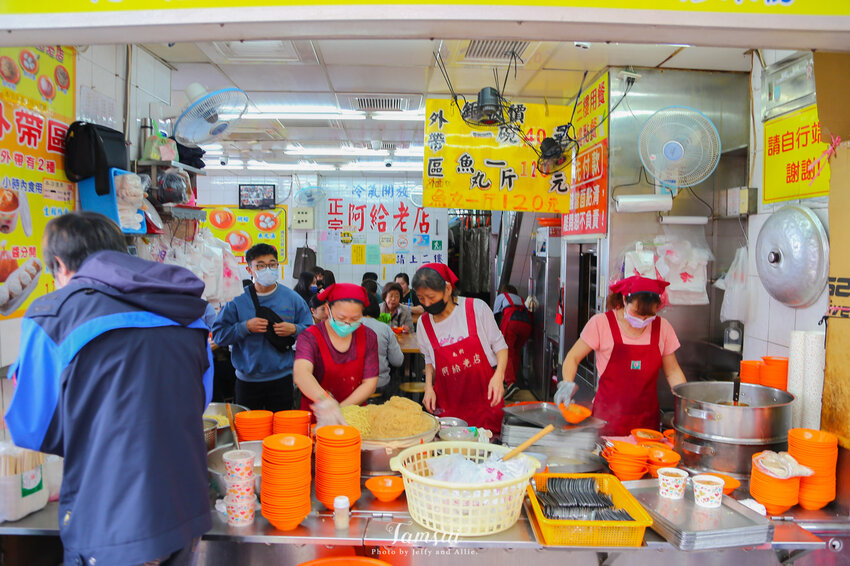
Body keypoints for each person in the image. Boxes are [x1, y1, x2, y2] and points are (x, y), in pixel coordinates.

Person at [5, 211, 212, 566]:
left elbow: (32, 430)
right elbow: (201, 401)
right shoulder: (187, 309)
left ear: (59, 264)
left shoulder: (54, 314)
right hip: (186, 510)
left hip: (111, 519)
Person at [558, 275, 687, 436]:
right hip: (606, 422)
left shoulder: (663, 328)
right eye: (637, 312)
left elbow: (673, 371)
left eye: (648, 315)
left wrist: (686, 403)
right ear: (625, 300)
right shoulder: (601, 323)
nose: (643, 319)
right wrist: (567, 383)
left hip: (646, 427)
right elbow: (573, 357)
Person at [212, 243, 313, 412]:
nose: (268, 269)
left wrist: (295, 330)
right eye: (260, 265)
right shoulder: (237, 300)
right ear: (250, 269)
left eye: (272, 264)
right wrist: (244, 327)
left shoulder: (292, 298)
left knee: (282, 433)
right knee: (250, 432)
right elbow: (218, 335)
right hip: (247, 381)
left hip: (282, 379)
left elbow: (311, 333)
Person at [413, 263, 508, 433]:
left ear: (448, 289)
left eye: (431, 297)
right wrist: (428, 387)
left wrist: (499, 376)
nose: (427, 303)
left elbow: (501, 347)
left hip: (484, 402)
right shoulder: (423, 324)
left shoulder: (476, 308)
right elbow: (429, 359)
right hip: (450, 410)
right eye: (421, 299)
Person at [294, 283, 379, 419]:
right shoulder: (310, 337)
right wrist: (326, 401)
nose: (348, 323)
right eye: (341, 318)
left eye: (355, 319)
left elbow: (369, 383)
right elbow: (301, 374)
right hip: (317, 416)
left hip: (354, 416)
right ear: (327, 309)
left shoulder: (368, 337)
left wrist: (340, 410)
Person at [493, 284, 532, 400]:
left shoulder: (502, 296)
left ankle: (510, 383)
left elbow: (494, 314)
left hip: (512, 322)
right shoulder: (520, 299)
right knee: (515, 352)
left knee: (506, 351)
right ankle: (513, 380)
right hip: (527, 324)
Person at [361, 292, 404, 395]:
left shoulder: (348, 327)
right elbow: (398, 361)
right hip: (380, 384)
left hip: (355, 386)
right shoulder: (385, 328)